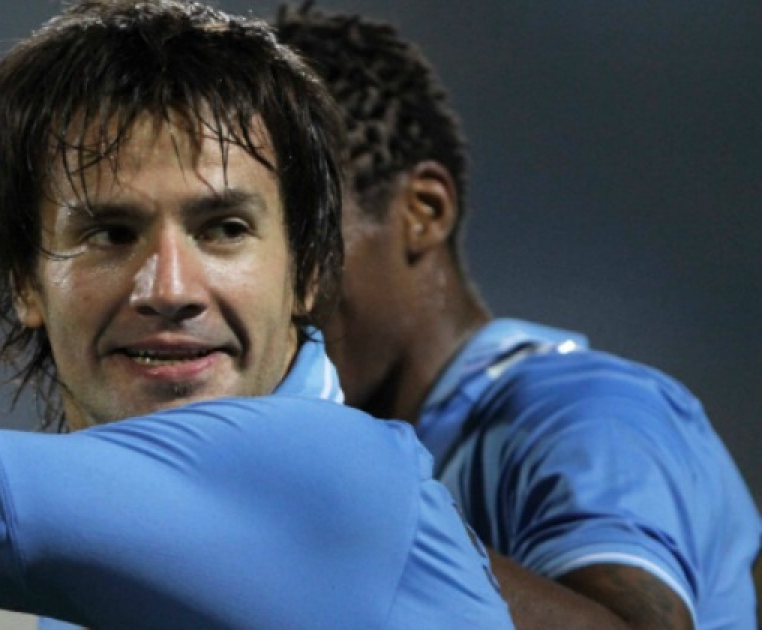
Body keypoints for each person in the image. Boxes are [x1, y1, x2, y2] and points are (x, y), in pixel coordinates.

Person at [0, 2, 514, 629]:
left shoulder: (316, 470)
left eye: (223, 230)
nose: (169, 286)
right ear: (23, 280)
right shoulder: (121, 549)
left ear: (307, 269)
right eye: (110, 233)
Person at [273, 3, 762, 630]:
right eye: (237, 234)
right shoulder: (397, 451)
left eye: (303, 231)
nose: (273, 287)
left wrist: (347, 526)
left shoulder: (588, 414)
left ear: (424, 211)